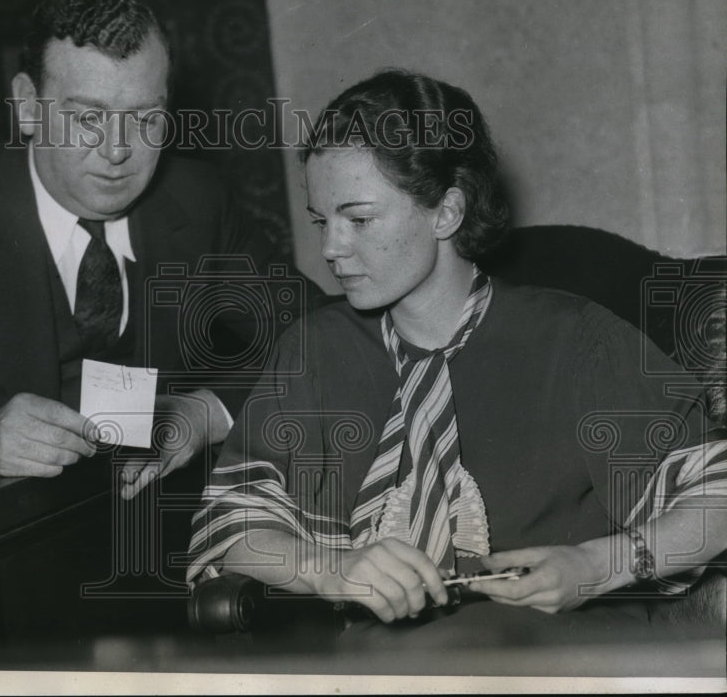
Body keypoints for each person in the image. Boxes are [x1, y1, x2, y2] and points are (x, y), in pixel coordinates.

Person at [0, 0, 306, 650]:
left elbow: (314, 334)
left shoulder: (196, 200)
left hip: (127, 580)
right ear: (28, 106)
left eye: (145, 118)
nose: (118, 151)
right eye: (87, 118)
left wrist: (206, 412)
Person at [187, 68, 727, 644]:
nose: (331, 250)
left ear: (446, 212)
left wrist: (598, 567)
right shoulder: (316, 351)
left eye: (360, 219)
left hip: (563, 658)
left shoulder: (575, 338)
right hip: (374, 671)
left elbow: (716, 495)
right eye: (323, 221)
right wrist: (332, 570)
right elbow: (232, 524)